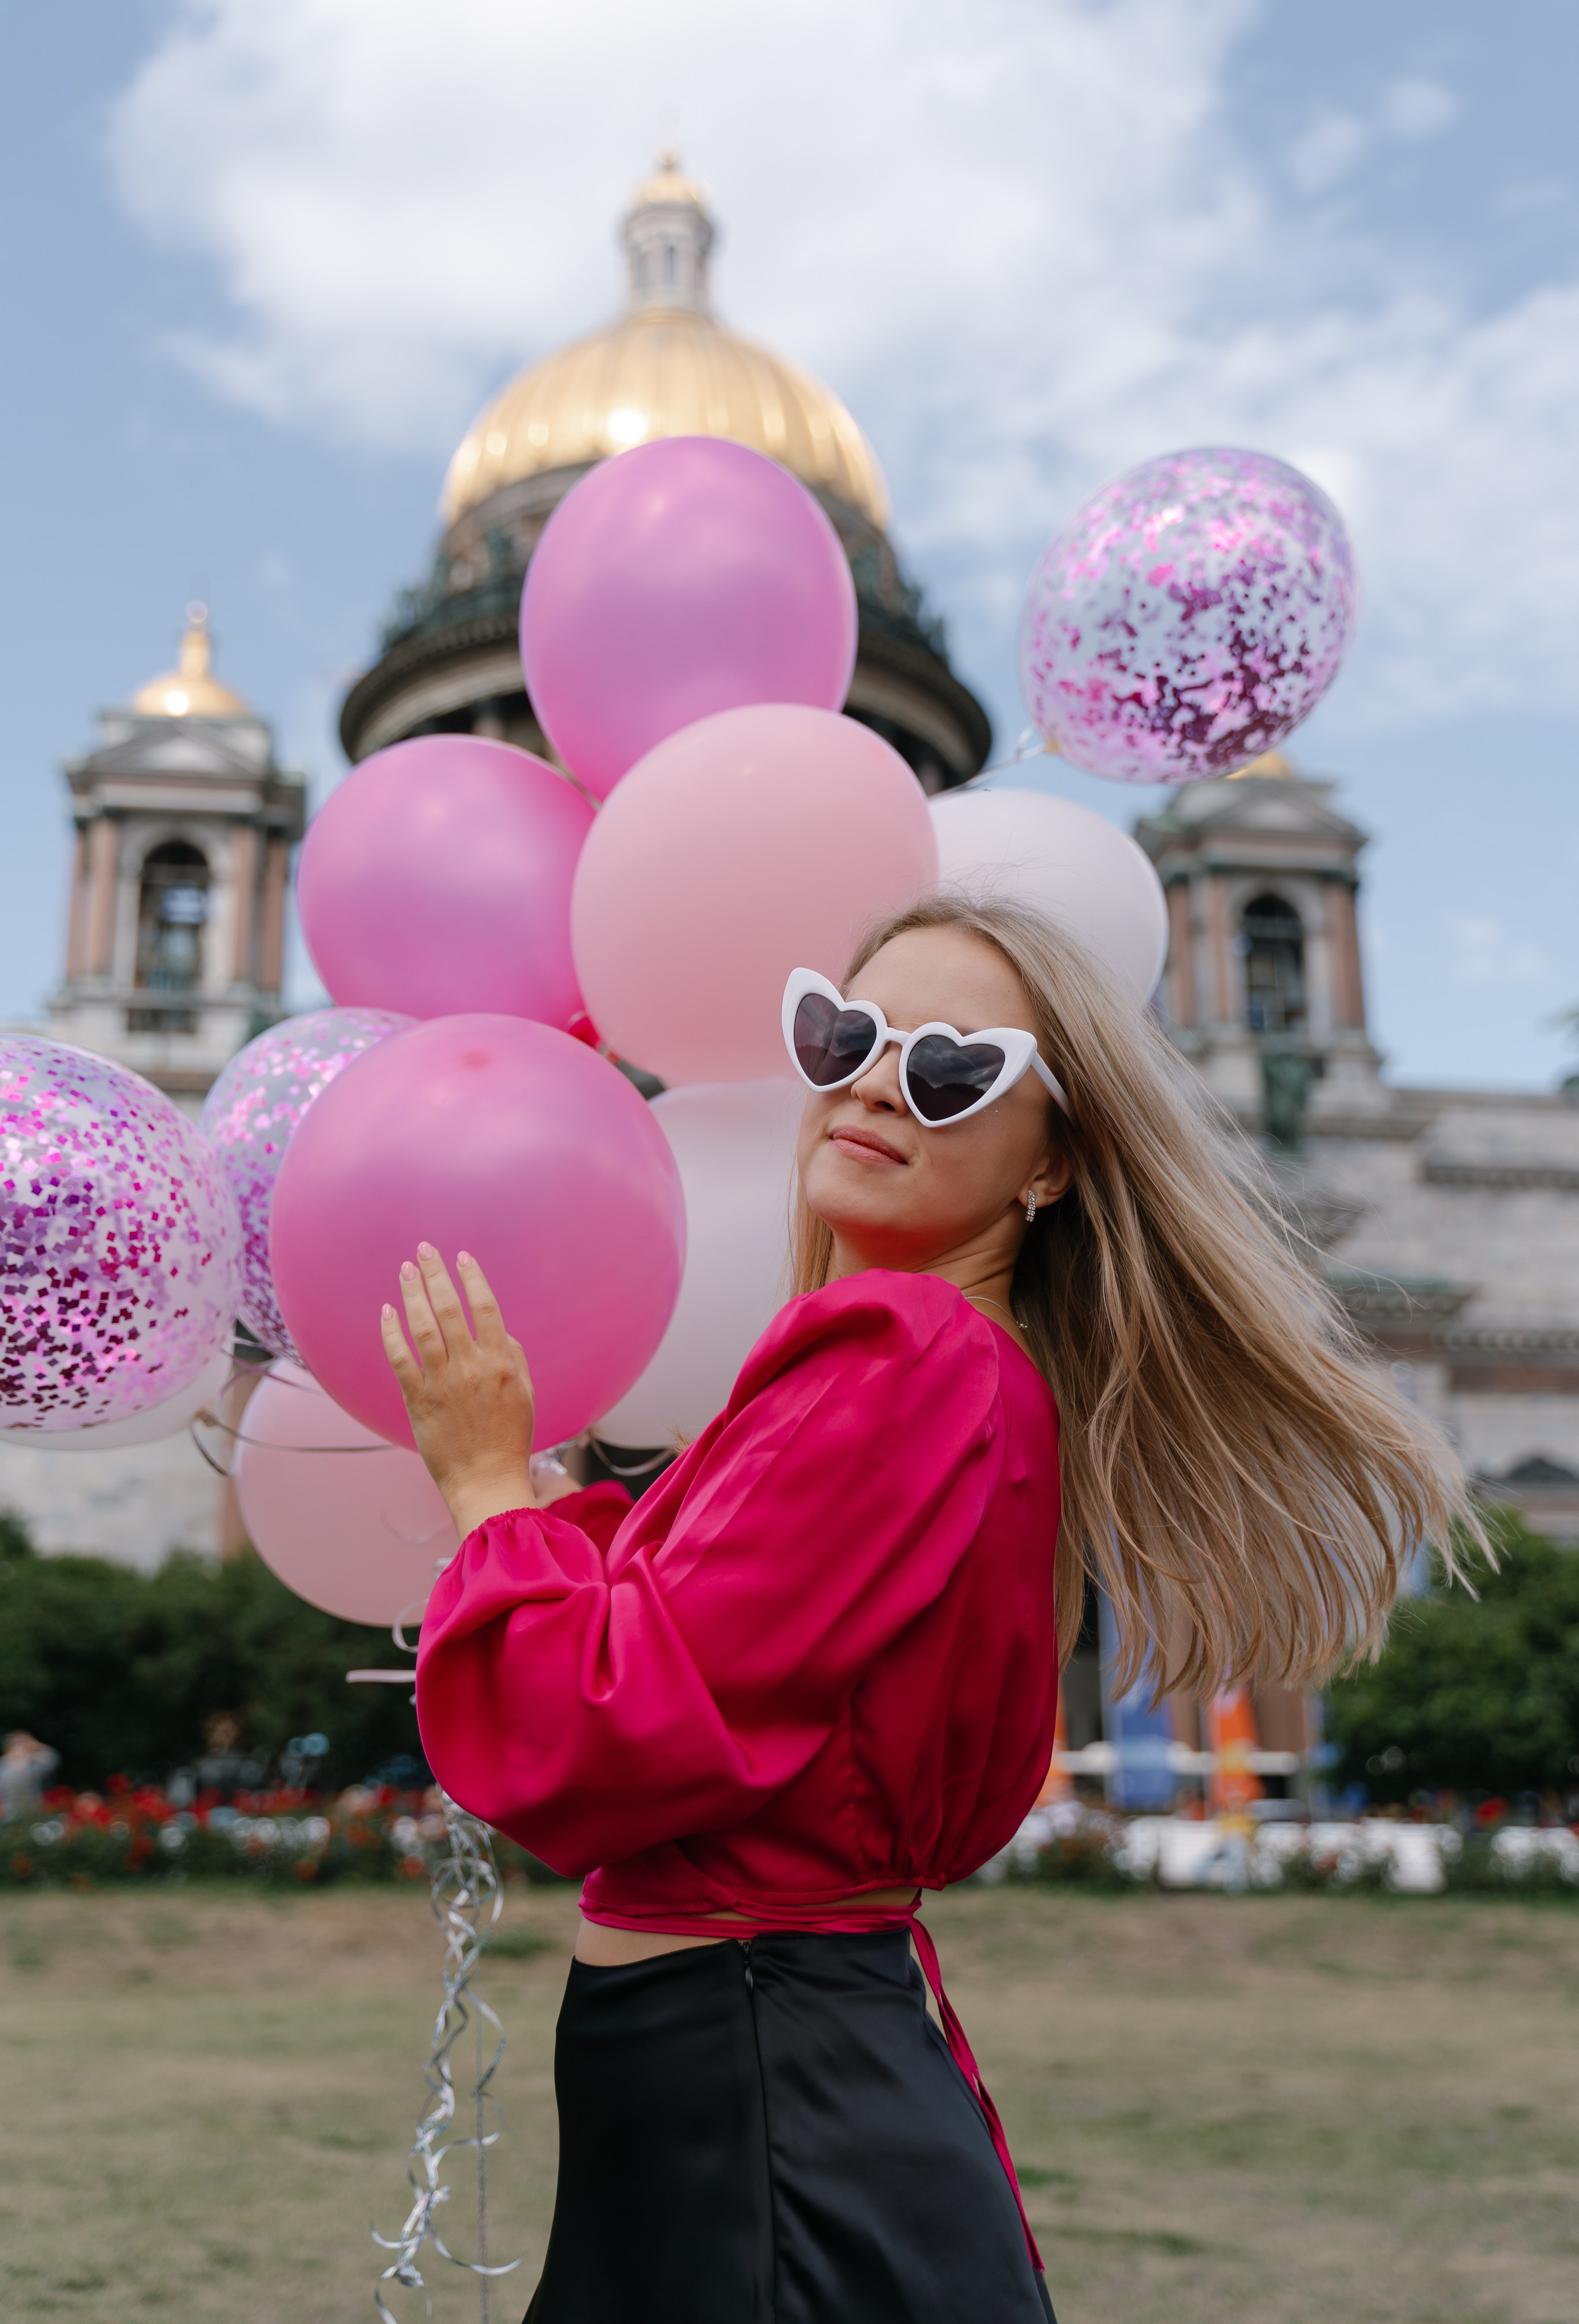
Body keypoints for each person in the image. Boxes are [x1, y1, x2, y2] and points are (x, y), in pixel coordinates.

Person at [394, 895, 1468, 2324]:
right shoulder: (950, 1367)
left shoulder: (907, 1349)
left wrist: (483, 1493)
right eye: (843, 1035)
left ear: (1052, 1165)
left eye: (954, 1064)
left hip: (754, 2076)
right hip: (768, 2067)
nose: (875, 1081)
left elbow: (599, 1730)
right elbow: (707, 1659)